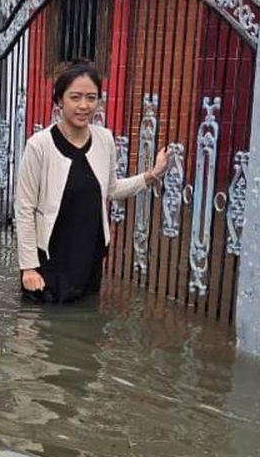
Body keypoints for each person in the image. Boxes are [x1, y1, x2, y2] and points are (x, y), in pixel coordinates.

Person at [15, 61, 168, 303]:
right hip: (50, 257)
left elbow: (111, 189)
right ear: (59, 100)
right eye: (75, 97)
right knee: (41, 326)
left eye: (91, 98)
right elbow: (24, 209)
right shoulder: (39, 145)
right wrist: (29, 267)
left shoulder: (105, 139)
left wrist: (150, 176)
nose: (84, 105)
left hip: (89, 255)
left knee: (85, 320)